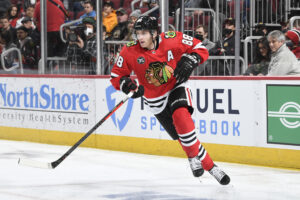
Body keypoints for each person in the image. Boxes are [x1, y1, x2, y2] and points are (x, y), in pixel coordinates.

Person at [110, 15, 230, 185]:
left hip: (176, 86)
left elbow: (200, 47)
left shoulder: (172, 39)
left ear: (154, 33)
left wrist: (191, 59)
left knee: (181, 117)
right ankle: (211, 167)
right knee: (184, 137)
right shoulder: (129, 50)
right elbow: (116, 76)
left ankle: (192, 157)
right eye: (138, 33)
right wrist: (127, 85)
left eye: (144, 33)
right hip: (154, 101)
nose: (140, 37)